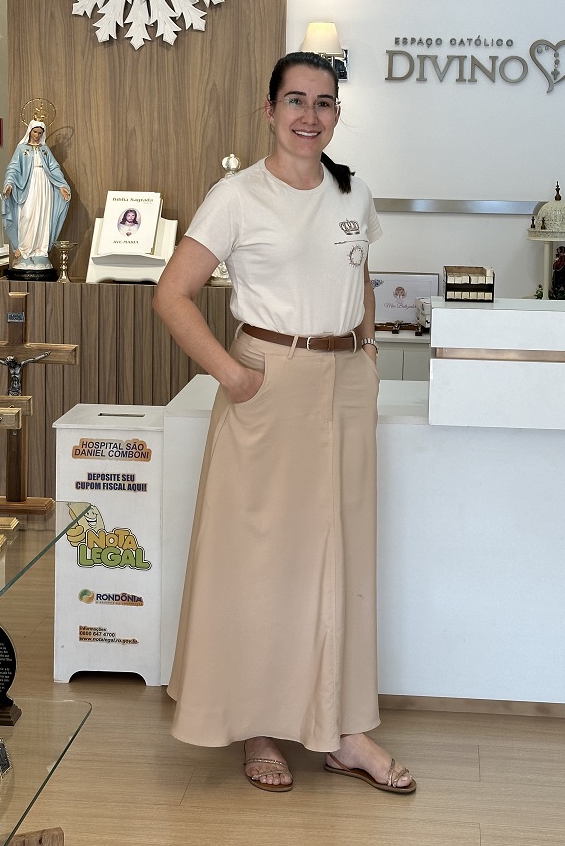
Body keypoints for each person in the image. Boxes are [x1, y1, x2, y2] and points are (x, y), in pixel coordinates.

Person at [154, 51, 415, 795]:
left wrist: (367, 349)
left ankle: (346, 730)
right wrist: (235, 376)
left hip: (345, 381)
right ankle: (259, 726)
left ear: (337, 114)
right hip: (267, 382)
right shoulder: (237, 196)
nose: (310, 115)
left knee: (343, 558)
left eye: (324, 102)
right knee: (263, 561)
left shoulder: (353, 192)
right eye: (295, 100)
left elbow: (360, 278)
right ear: (269, 109)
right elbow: (172, 295)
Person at [2, 120, 71, 270]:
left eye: (40, 133)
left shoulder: (44, 149)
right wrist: (9, 184)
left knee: (42, 216)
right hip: (28, 185)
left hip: (44, 185)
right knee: (27, 215)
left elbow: (54, 168)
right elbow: (13, 168)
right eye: (35, 132)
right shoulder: (22, 149)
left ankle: (40, 250)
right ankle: (24, 249)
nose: (37, 135)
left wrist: (62, 186)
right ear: (30, 131)